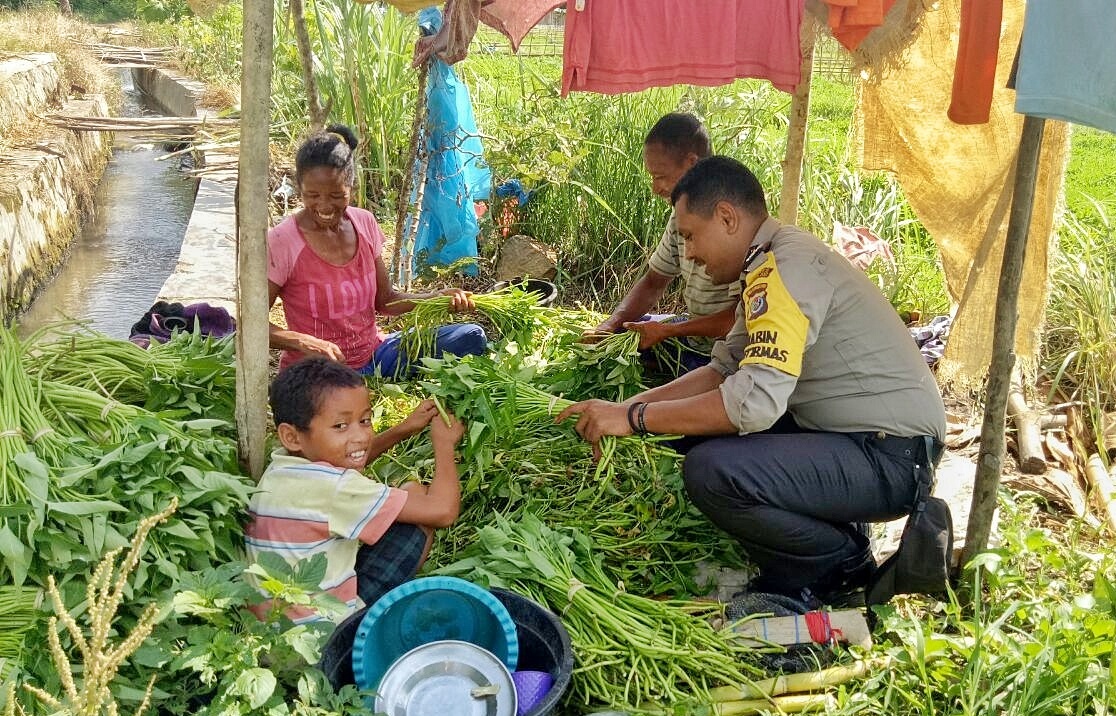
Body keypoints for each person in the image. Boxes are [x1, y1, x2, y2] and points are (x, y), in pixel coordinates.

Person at [559, 156, 947, 610]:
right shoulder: (766, 263)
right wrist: (624, 407)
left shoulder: (783, 268)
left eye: (689, 236)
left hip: (891, 457)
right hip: (862, 441)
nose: (689, 254)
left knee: (712, 471)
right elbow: (723, 371)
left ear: (726, 217)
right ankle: (831, 536)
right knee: (689, 436)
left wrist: (636, 419)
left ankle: (836, 561)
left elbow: (752, 404)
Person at [245, 357, 466, 622]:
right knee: (416, 495)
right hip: (330, 633)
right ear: (292, 436)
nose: (360, 436)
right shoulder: (336, 488)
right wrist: (444, 444)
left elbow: (346, 459)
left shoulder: (282, 468)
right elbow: (442, 512)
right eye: (340, 426)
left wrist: (403, 429)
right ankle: (378, 620)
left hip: (277, 632)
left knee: (405, 498)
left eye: (365, 420)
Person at [268, 124, 487, 377]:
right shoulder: (282, 241)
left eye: (337, 195)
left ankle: (375, 375)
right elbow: (249, 323)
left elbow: (385, 300)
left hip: (375, 354)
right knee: (333, 399)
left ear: (352, 188)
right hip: (320, 372)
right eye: (313, 195)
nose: (324, 205)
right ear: (300, 188)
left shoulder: (364, 223)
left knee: (470, 336)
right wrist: (304, 343)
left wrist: (438, 298)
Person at [585, 113, 740, 375]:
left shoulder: (729, 220)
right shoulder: (681, 213)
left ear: (692, 164)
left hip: (727, 350)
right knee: (627, 336)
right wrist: (611, 325)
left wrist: (671, 330)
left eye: (660, 176)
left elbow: (739, 319)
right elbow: (655, 280)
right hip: (693, 335)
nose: (655, 188)